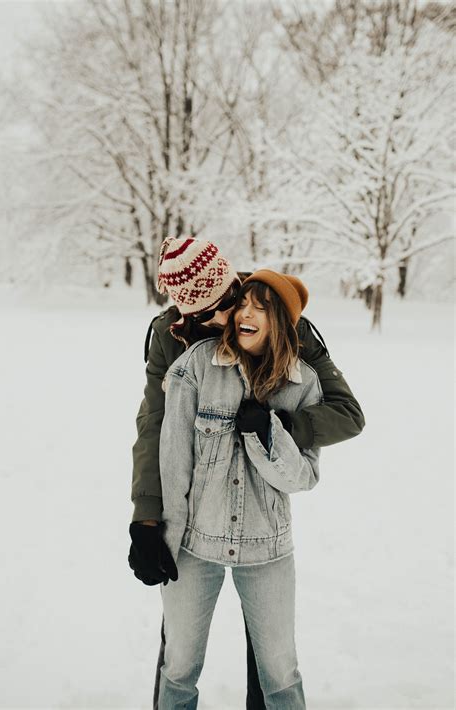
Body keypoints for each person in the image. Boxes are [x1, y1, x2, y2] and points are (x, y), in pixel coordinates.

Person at [129, 236, 365, 710]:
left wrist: (277, 427)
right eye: (201, 316)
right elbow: (157, 427)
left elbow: (346, 412)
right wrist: (147, 520)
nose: (220, 321)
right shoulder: (168, 335)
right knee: (178, 651)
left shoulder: (276, 316)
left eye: (224, 305)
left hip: (259, 521)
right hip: (196, 521)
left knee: (270, 659)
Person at [158, 268, 322, 708]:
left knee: (281, 673)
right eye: (243, 303)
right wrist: (164, 542)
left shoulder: (302, 383)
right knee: (178, 668)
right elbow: (174, 464)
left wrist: (269, 436)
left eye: (261, 308)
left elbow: (303, 477)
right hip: (195, 546)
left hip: (268, 550)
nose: (245, 313)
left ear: (282, 322)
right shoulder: (196, 366)